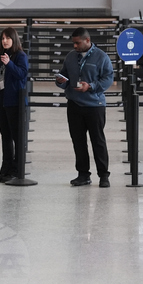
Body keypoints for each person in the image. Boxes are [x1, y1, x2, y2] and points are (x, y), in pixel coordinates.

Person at [54, 28, 115, 187]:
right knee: (78, 141)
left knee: (98, 141)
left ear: (87, 41)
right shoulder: (70, 57)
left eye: (77, 43)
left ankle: (103, 175)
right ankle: (83, 174)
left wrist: (91, 86)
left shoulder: (101, 57)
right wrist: (61, 81)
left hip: (94, 106)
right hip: (74, 105)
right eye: (73, 43)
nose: (74, 46)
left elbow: (108, 78)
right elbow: (64, 74)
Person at [0, 27, 29, 183]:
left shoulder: (20, 56)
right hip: (2, 100)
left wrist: (10, 63)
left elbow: (22, 74)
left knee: (17, 137)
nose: (4, 41)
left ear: (14, 39)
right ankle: (5, 170)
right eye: (2, 38)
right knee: (5, 137)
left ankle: (17, 170)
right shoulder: (1, 57)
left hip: (15, 102)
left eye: (7, 38)